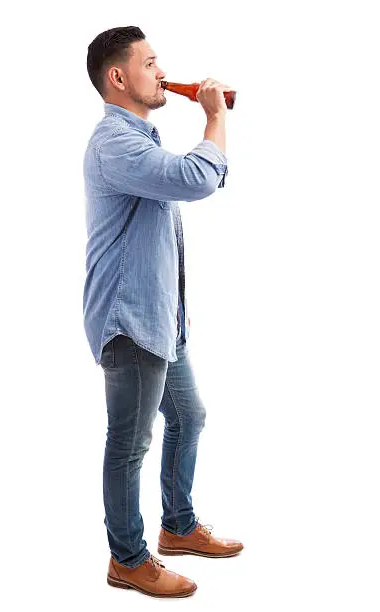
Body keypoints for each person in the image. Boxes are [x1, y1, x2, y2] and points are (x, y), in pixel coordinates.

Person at [83, 26, 243, 598]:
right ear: (118, 78)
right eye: (150, 63)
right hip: (130, 323)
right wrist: (214, 117)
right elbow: (198, 178)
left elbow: (160, 234)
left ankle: (177, 527)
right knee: (129, 444)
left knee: (189, 416)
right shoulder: (116, 145)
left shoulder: (141, 142)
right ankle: (127, 558)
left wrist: (178, 306)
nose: (161, 72)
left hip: (160, 319)